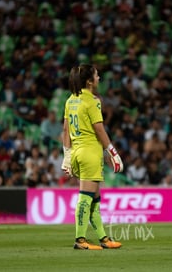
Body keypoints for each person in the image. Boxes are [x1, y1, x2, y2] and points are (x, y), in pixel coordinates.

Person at [61, 64, 124, 250]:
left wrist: (67, 155)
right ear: (89, 81)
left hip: (77, 152)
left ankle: (103, 239)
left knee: (95, 197)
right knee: (86, 197)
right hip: (90, 153)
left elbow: (65, 129)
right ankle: (80, 239)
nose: (99, 78)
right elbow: (99, 128)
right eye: (97, 75)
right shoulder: (93, 101)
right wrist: (113, 152)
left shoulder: (70, 100)